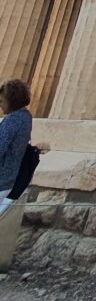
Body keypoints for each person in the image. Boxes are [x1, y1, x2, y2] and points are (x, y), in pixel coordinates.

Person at [0, 79, 32, 216]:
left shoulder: (13, 119)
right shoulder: (26, 116)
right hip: (11, 178)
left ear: (11, 100)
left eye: (2, 101)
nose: (0, 105)